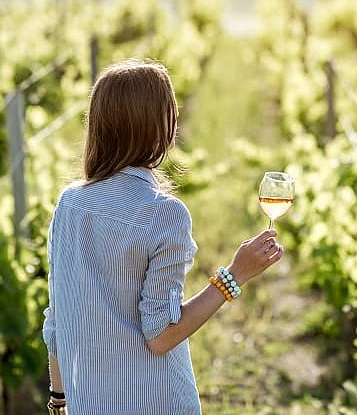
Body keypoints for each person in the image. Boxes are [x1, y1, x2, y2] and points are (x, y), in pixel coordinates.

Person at [42, 59, 284, 414]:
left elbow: (57, 320)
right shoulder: (164, 214)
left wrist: (59, 400)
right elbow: (161, 336)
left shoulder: (69, 205)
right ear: (160, 128)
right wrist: (235, 275)